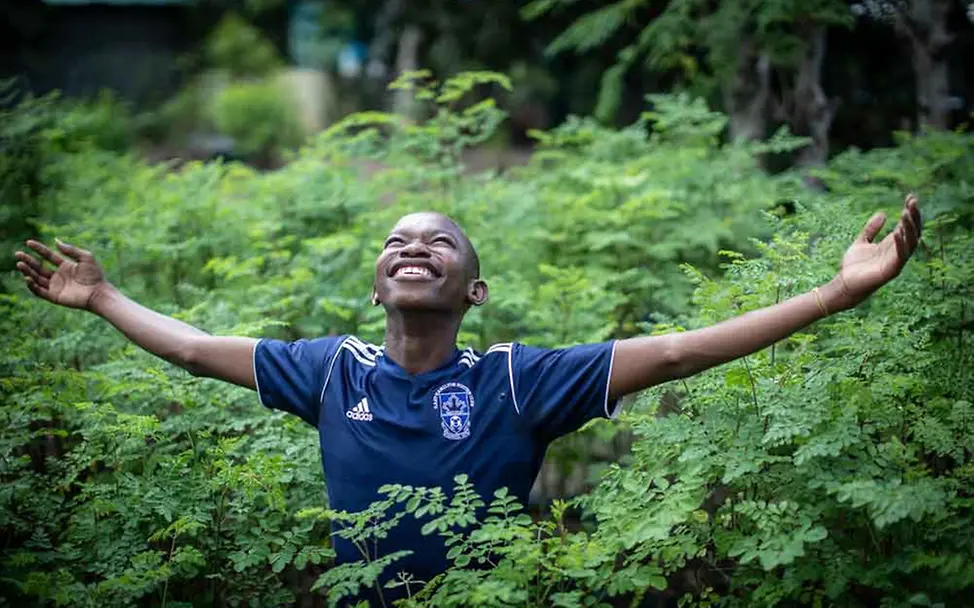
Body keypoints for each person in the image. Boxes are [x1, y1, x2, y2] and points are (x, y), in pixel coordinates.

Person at [14, 195, 922, 600]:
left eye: (439, 242)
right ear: (378, 283)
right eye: (397, 241)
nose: (413, 246)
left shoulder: (516, 381)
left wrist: (834, 295)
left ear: (475, 292)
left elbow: (680, 352)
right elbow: (191, 348)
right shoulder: (331, 371)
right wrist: (102, 297)